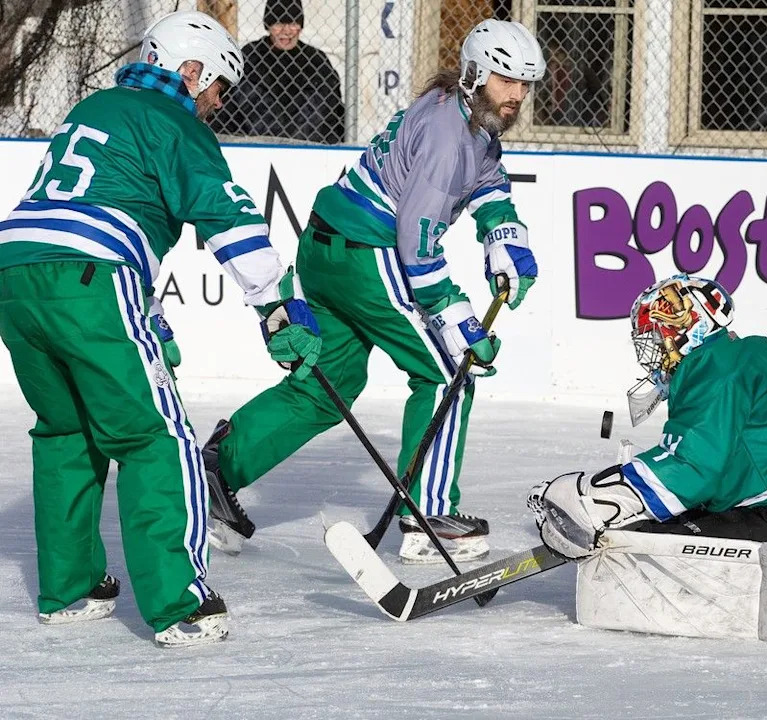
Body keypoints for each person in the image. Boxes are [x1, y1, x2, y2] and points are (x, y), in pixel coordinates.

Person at [0, 11, 321, 647]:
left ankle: (69, 590)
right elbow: (228, 218)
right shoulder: (173, 120)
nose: (217, 105)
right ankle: (182, 605)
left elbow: (103, 206)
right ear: (191, 71)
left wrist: (148, 319)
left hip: (16, 271)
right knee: (157, 436)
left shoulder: (101, 107)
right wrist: (277, 305)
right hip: (91, 274)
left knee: (67, 429)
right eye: (218, 88)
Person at [202, 19, 545, 563]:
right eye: (507, 81)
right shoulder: (447, 136)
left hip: (325, 247)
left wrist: (503, 236)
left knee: (328, 384)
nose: (518, 94)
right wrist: (454, 315)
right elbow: (418, 242)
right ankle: (427, 515)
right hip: (368, 254)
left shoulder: (457, 111)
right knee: (447, 372)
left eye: (527, 84)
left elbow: (487, 178)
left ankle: (219, 468)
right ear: (478, 73)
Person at [528, 275, 767, 640]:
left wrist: (598, 502)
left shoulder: (714, 368)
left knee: (637, 546)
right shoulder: (740, 354)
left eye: (657, 333)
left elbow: (693, 469)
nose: (652, 349)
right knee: (680, 518)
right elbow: (724, 468)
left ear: (687, 326)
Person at [210, 0, 344, 144]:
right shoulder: (250, 57)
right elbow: (227, 110)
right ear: (268, 26)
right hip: (253, 147)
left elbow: (334, 115)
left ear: (301, 26)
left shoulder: (317, 61)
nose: (286, 31)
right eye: (278, 24)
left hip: (309, 148)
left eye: (293, 23)